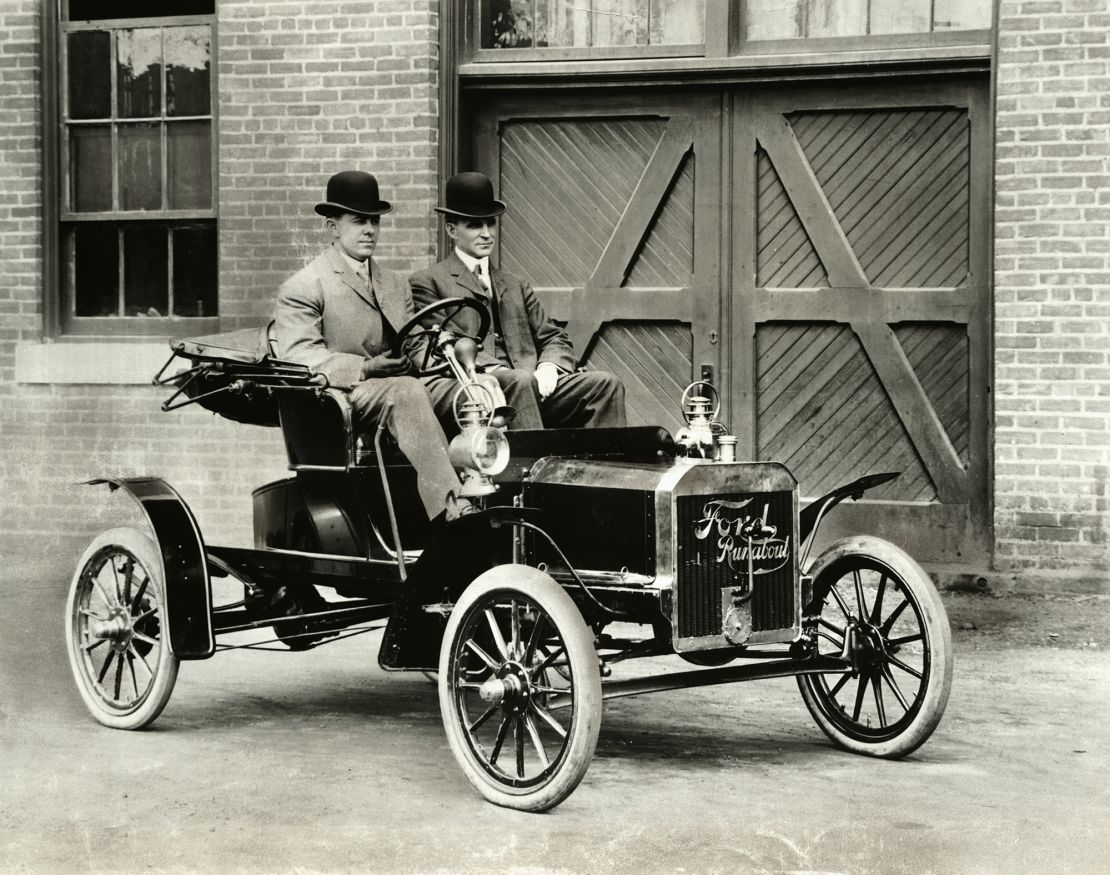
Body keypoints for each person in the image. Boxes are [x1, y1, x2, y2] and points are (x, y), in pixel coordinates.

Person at [272, 170, 474, 521]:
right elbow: (301, 359)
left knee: (472, 392)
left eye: (375, 221)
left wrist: (451, 355)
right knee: (408, 391)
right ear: (333, 227)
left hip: (399, 387)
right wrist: (365, 368)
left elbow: (415, 348)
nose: (369, 230)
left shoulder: (395, 284)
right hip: (345, 397)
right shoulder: (305, 286)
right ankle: (453, 506)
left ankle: (498, 492)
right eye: (358, 221)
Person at [409, 171, 626, 431]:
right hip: (483, 388)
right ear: (452, 230)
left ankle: (605, 470)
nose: (486, 233)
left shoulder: (515, 284)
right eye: (475, 225)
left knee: (605, 384)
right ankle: (533, 470)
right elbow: (446, 344)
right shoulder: (427, 281)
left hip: (533, 382)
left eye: (490, 223)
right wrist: (500, 370)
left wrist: (548, 366)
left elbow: (553, 336)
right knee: (519, 381)